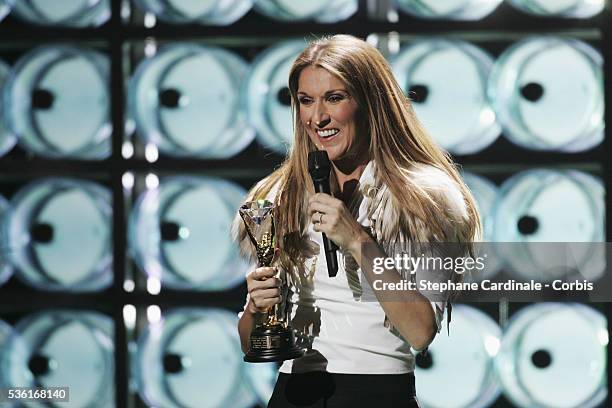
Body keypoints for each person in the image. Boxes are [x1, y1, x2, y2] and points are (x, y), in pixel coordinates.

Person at [233, 34, 481, 407]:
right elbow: (250, 341)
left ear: (370, 103)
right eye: (306, 101)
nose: (318, 118)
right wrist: (257, 307)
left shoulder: (423, 199)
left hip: (375, 392)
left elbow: (420, 330)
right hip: (294, 392)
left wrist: (357, 239)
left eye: (334, 98)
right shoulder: (278, 196)